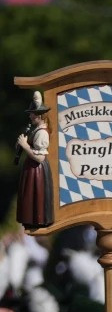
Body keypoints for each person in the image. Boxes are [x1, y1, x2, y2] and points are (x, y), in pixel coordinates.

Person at [15, 92, 52, 230]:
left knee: (36, 195)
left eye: (33, 114)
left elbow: (40, 157)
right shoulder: (35, 129)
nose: (30, 116)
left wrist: (25, 146)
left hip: (37, 169)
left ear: (40, 115)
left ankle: (37, 220)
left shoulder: (42, 132)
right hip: (32, 169)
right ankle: (30, 219)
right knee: (29, 195)